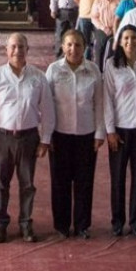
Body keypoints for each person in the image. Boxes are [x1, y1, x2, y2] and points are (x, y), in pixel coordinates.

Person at [0, 32, 54, 244]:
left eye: (21, 47)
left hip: (29, 137)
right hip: (2, 138)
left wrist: (45, 140)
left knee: (28, 184)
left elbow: (48, 110)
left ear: (27, 50)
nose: (17, 51)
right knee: (0, 184)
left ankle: (25, 223)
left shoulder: (38, 77)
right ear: (6, 50)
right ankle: (0, 225)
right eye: (13, 47)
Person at [46, 30, 105, 238]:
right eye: (69, 45)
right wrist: (47, 136)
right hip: (59, 135)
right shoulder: (53, 70)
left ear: (85, 47)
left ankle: (82, 225)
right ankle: (61, 225)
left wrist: (100, 133)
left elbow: (99, 103)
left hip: (86, 135)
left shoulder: (93, 70)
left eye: (78, 45)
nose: (73, 49)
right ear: (63, 46)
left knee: (84, 181)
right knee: (60, 182)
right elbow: (46, 106)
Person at [102, 25, 136, 238]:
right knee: (118, 178)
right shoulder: (111, 65)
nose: (130, 42)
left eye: (133, 38)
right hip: (120, 129)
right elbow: (107, 99)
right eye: (125, 38)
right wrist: (110, 130)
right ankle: (117, 221)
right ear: (120, 42)